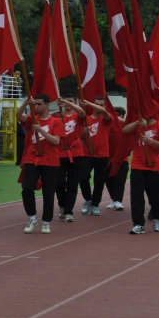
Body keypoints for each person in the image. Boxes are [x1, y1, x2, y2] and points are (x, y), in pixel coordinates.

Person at [17, 94, 64, 234]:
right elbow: (19, 116)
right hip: (32, 158)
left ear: (47, 104)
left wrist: (41, 130)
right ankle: (32, 218)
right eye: (35, 104)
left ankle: (46, 222)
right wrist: (26, 103)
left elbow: (56, 141)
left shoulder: (56, 122)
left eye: (39, 104)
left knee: (48, 192)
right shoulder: (32, 118)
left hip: (50, 160)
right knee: (26, 187)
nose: (36, 107)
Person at [122, 115, 159, 234]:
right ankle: (138, 224)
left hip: (155, 166)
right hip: (138, 165)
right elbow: (124, 130)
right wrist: (137, 123)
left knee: (156, 197)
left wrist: (151, 141)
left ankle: (158, 219)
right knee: (136, 196)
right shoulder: (137, 125)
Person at [55, 94, 87, 222]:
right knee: (59, 183)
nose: (67, 103)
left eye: (70, 101)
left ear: (75, 102)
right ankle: (62, 206)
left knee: (72, 184)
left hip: (76, 154)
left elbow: (82, 112)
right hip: (59, 153)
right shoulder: (58, 117)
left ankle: (69, 211)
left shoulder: (77, 117)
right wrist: (58, 110)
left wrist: (68, 103)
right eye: (65, 101)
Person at [80, 97, 112, 217]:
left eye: (101, 105)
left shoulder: (105, 119)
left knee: (99, 181)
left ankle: (95, 205)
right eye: (96, 104)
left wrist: (88, 102)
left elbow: (105, 113)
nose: (98, 107)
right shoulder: (86, 119)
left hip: (102, 155)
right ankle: (88, 199)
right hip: (86, 154)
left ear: (104, 107)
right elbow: (80, 138)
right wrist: (83, 133)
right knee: (83, 177)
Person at [106, 107, 128, 212]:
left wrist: (114, 117)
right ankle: (113, 199)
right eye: (115, 114)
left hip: (122, 159)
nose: (117, 117)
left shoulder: (125, 125)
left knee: (119, 180)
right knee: (109, 181)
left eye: (119, 114)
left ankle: (118, 200)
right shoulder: (108, 125)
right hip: (107, 158)